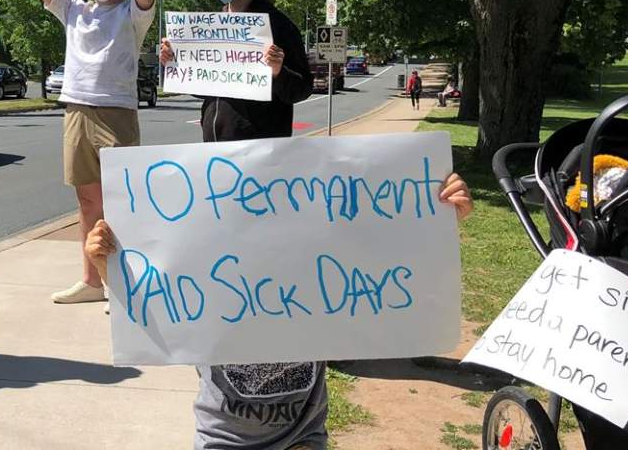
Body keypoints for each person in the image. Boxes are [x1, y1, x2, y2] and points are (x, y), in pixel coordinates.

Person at [84, 174, 475, 450]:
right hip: (224, 442)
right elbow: (149, 305)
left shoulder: (322, 292)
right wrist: (107, 266)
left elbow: (389, 280)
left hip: (303, 439)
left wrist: (441, 223)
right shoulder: (206, 296)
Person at [28, 0, 157, 304]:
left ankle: (122, 283)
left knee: (120, 201)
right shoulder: (74, 11)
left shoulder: (133, 14)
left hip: (117, 111)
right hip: (76, 110)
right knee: (87, 199)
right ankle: (92, 281)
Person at [159, 0, 313, 141]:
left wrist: (278, 72)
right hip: (214, 147)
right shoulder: (210, 27)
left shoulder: (279, 26)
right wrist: (172, 63)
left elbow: (302, 89)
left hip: (260, 150)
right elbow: (202, 85)